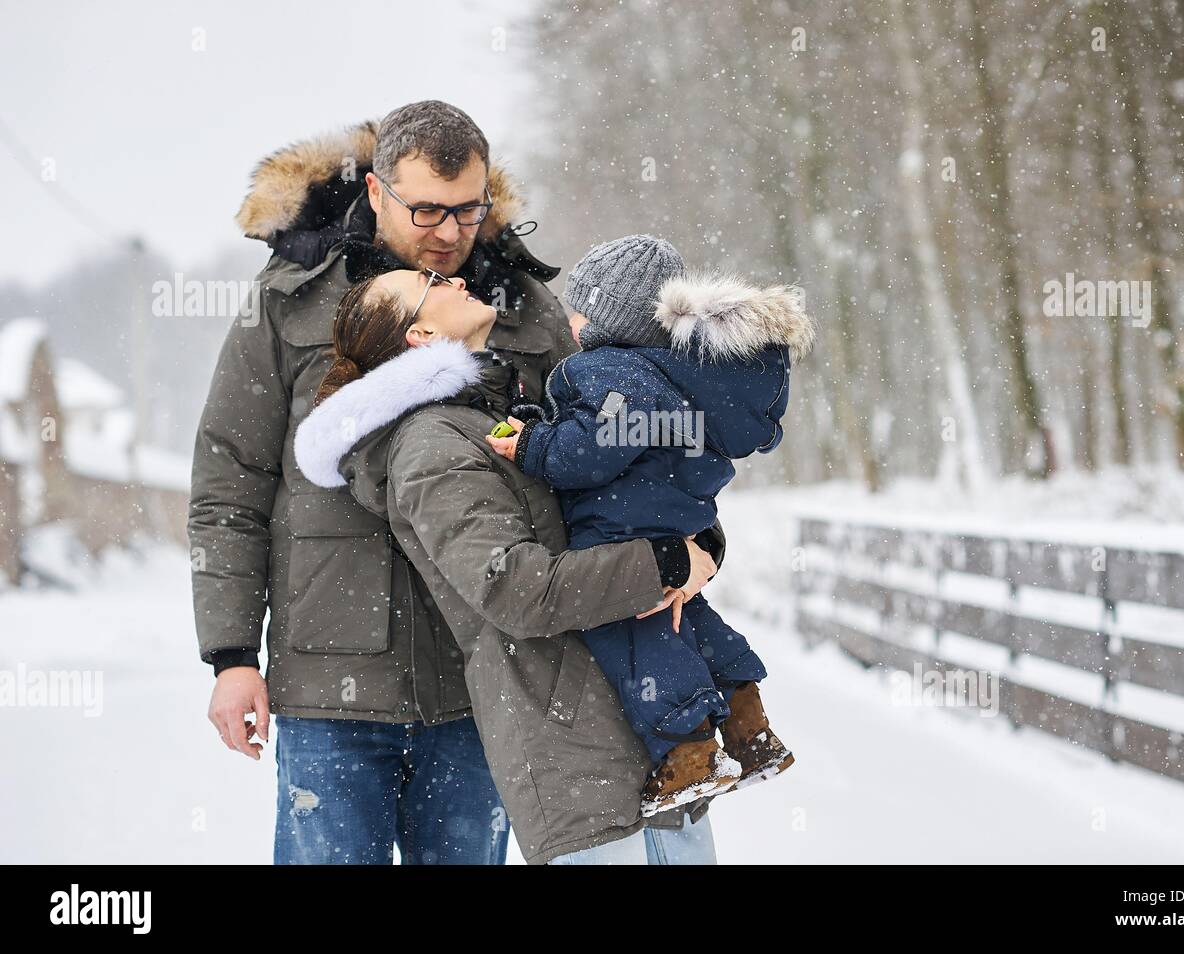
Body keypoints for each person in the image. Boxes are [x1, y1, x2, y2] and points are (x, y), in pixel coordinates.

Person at [189, 102, 722, 863]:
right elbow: (228, 483)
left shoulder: (522, 308)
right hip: (331, 679)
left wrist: (685, 530)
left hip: (486, 683)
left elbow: (602, 452)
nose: (448, 231)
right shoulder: (289, 298)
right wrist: (233, 655)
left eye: (468, 210)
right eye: (427, 210)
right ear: (376, 192)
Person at [292, 265, 719, 863]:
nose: (453, 278)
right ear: (418, 334)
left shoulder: (501, 410)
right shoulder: (431, 442)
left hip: (645, 720)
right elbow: (515, 589)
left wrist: (699, 544)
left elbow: (615, 507)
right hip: (574, 743)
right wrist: (667, 563)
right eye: (430, 282)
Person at [487, 235, 814, 815]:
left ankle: (686, 752)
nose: (569, 318)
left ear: (611, 317)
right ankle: (749, 725)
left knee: (635, 633)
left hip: (622, 529)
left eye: (580, 307)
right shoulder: (675, 376)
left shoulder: (610, 372)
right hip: (672, 519)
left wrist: (532, 442)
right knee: (692, 619)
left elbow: (587, 452)